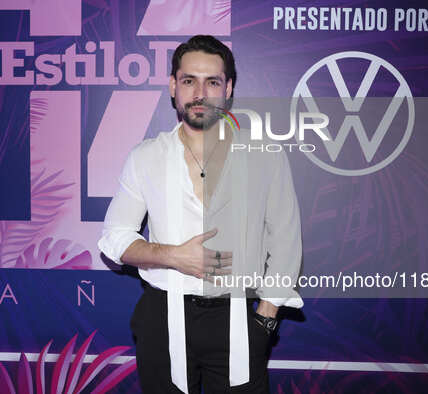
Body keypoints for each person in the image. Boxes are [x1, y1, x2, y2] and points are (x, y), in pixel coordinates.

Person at [98, 35, 303, 394]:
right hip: (162, 316)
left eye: (213, 82)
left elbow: (286, 243)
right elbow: (115, 237)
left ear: (229, 89)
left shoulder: (264, 155)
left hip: (239, 317)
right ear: (173, 86)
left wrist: (265, 321)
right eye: (189, 80)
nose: (200, 93)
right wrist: (173, 256)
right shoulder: (146, 156)